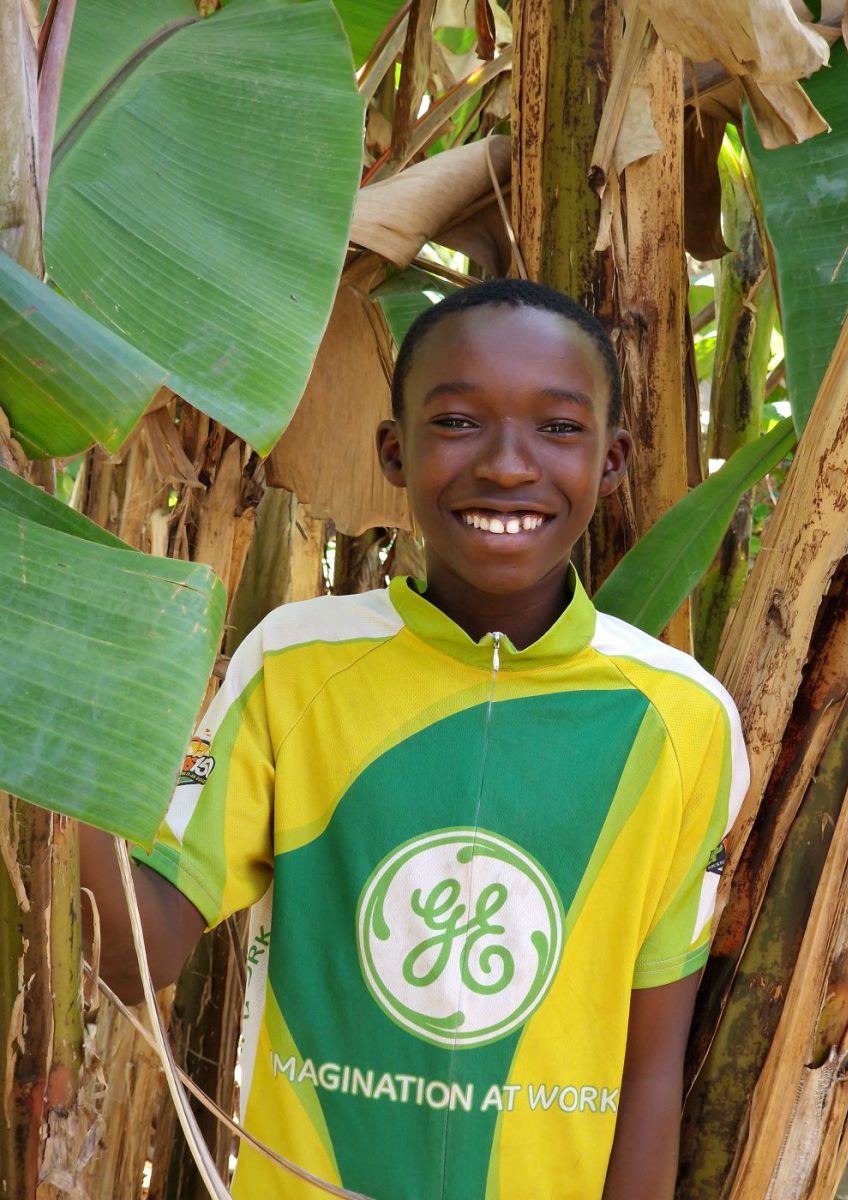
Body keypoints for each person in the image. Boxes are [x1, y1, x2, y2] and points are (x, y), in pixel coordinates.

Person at [80, 279, 749, 1200]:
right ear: (395, 453)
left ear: (612, 461)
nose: (508, 466)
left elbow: (651, 1070)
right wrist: (51, 730)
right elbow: (133, 954)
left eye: (558, 428)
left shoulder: (680, 719)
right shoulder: (294, 669)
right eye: (458, 423)